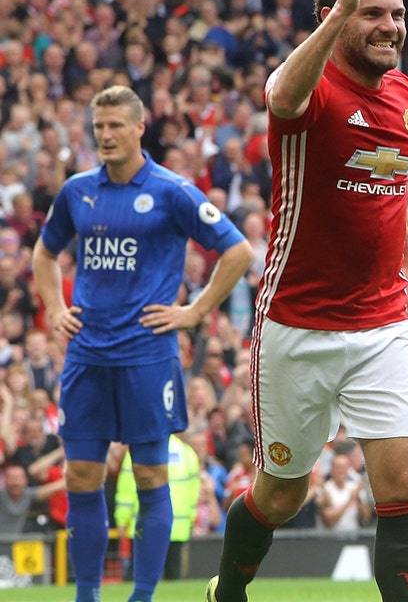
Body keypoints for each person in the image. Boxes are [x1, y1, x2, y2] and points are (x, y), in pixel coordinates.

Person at [206, 0, 408, 602]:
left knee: (402, 484)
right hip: (297, 326)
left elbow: (387, 186)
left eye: (396, 14)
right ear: (332, 18)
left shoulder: (403, 92)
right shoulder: (310, 91)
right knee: (281, 494)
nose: (389, 26)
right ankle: (227, 593)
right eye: (371, 14)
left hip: (381, 324)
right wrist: (339, 15)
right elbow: (278, 94)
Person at [33, 84, 253, 602]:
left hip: (147, 356)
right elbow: (45, 255)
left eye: (115, 126)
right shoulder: (77, 191)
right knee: (82, 473)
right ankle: (86, 595)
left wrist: (194, 311)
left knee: (151, 474)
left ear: (138, 129)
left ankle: (143, 596)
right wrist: (55, 309)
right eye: (98, 127)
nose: (105, 136)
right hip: (87, 355)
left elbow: (238, 252)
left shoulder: (173, 190)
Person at [115, 434, 203, 581]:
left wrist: (122, 519)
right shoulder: (186, 453)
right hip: (178, 527)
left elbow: (127, 489)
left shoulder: (137, 451)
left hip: (144, 525)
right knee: (173, 576)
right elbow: (193, 493)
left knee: (139, 574)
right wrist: (191, 518)